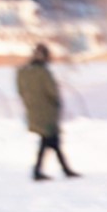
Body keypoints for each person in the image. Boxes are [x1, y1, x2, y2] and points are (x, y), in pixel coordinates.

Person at [18, 43, 77, 181]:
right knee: (50, 140)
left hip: (33, 110)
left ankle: (55, 170)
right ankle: (54, 170)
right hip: (47, 112)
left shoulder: (23, 72)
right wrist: (56, 105)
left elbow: (21, 91)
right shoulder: (43, 73)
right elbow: (52, 92)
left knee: (49, 142)